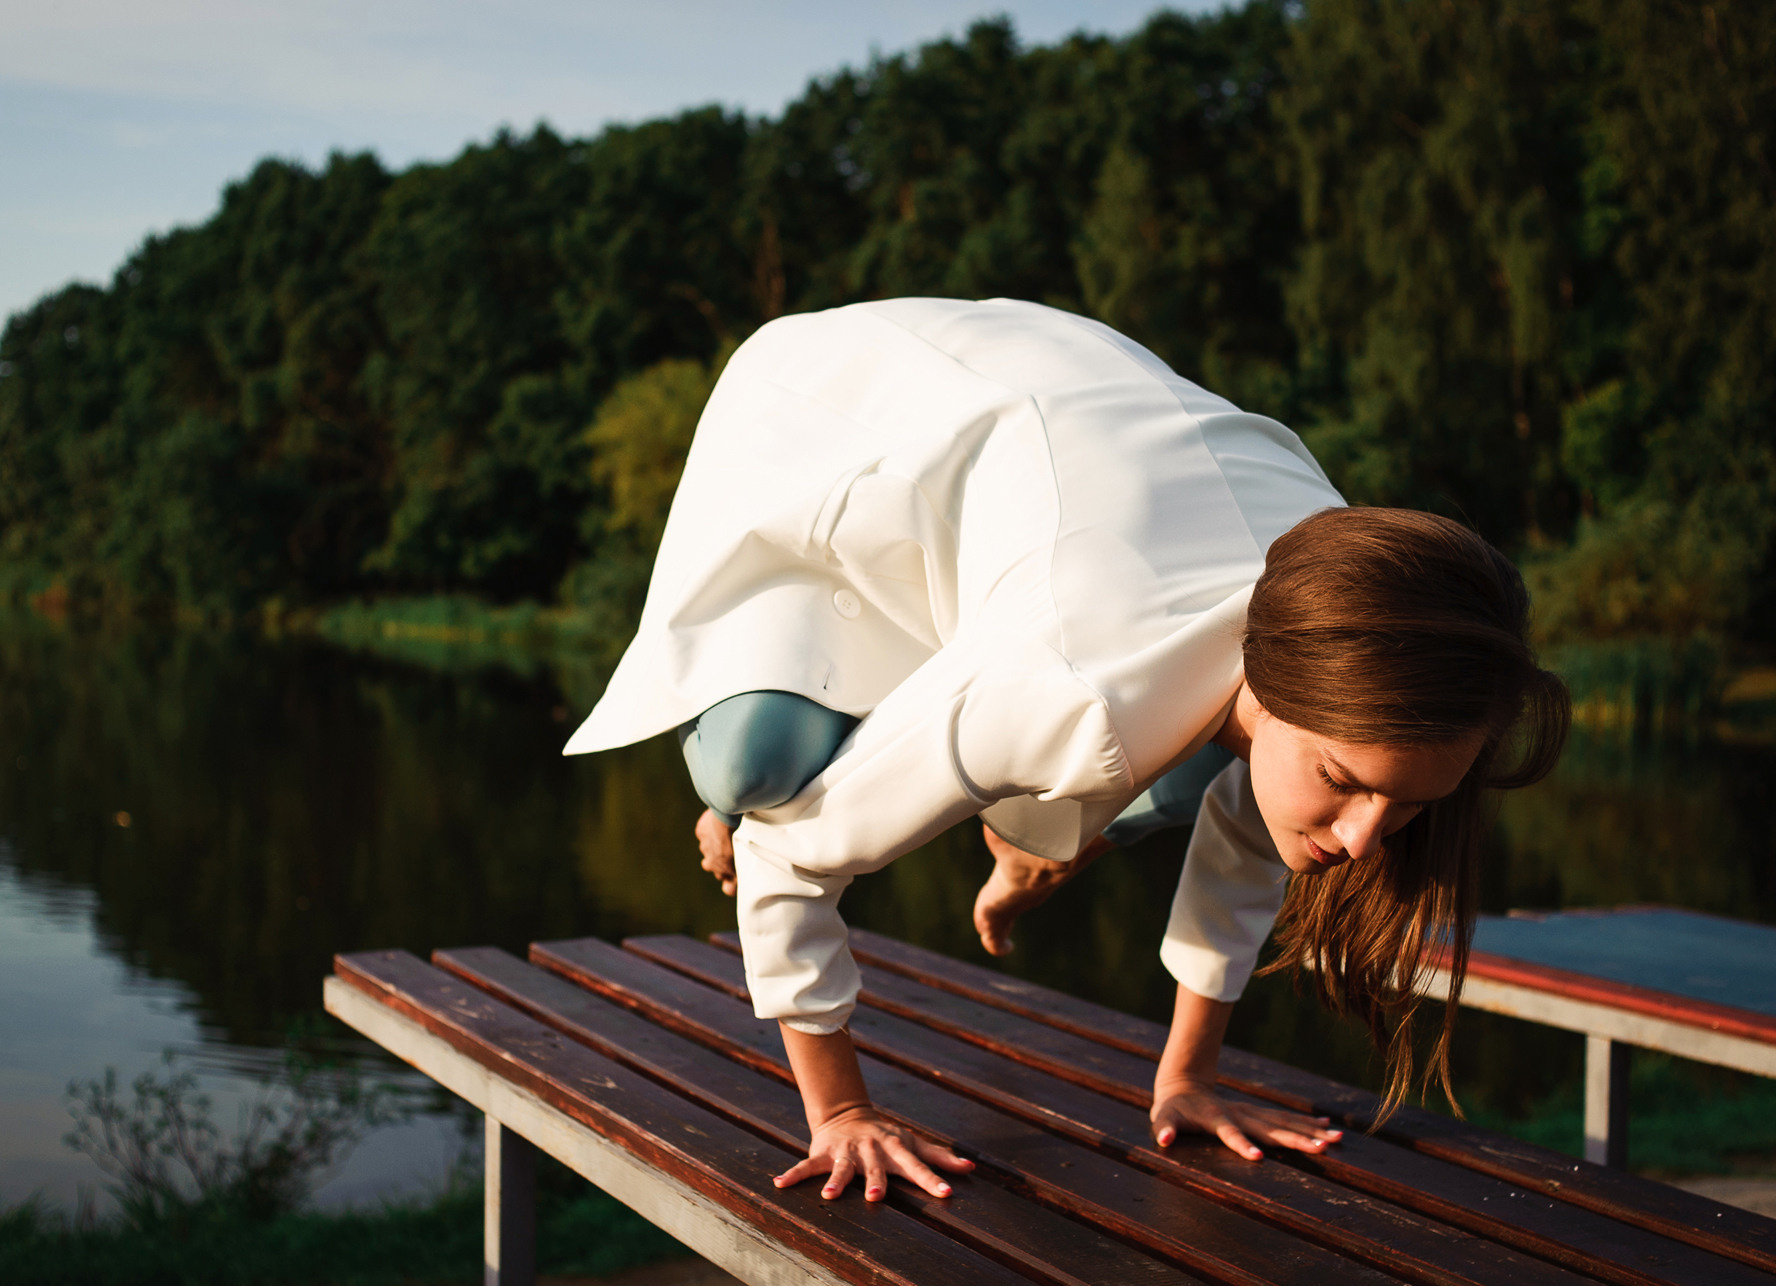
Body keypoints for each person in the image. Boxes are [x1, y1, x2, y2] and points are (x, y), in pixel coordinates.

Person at [563, 297, 1568, 1205]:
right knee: (764, 775)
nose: (1362, 838)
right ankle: (760, 784)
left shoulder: (1355, 610)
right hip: (834, 407)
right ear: (1271, 690)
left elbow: (1248, 833)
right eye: (1344, 784)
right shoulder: (1072, 685)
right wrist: (838, 1111)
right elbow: (795, 866)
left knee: (1152, 764)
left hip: (1056, 467)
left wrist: (1188, 1078)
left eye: (1405, 808)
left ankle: (1027, 836)